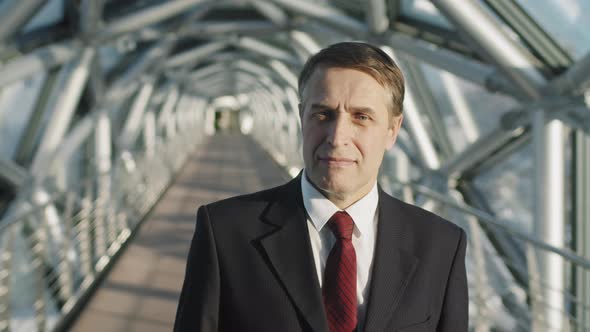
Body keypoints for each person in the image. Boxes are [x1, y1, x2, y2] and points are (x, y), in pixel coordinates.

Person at [174, 42, 468, 332]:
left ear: (392, 130)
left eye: (361, 117)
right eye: (323, 114)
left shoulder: (441, 245)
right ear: (302, 117)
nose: (337, 136)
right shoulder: (225, 232)